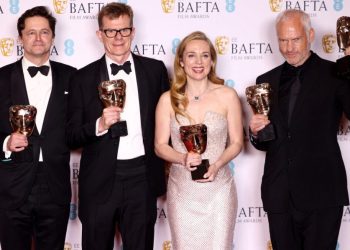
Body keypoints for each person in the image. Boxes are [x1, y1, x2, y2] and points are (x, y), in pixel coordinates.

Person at [66, 3, 169, 250]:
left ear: (133, 31)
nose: (118, 37)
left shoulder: (155, 71)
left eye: (123, 30)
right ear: (100, 34)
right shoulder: (83, 77)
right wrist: (99, 125)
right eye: (111, 31)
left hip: (142, 178)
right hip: (98, 181)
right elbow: (70, 136)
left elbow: (169, 123)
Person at [248, 9, 350, 250]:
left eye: (295, 39)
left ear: (310, 35)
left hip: (322, 192)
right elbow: (267, 142)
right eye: (283, 40)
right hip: (279, 194)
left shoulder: (336, 73)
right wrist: (256, 132)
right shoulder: (266, 80)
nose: (289, 47)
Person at [155, 31, 243, 249]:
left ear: (212, 61)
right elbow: (159, 146)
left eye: (205, 55)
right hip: (182, 192)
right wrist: (182, 157)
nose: (198, 61)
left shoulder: (228, 95)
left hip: (219, 191)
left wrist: (218, 165)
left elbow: (237, 143)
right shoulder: (168, 100)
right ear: (182, 62)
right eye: (191, 55)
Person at [0, 6, 76, 250]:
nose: (38, 38)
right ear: (20, 38)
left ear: (53, 37)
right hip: (12, 185)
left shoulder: (72, 77)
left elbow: (79, 128)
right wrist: (5, 143)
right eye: (31, 33)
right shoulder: (0, 79)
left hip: (55, 184)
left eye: (44, 32)